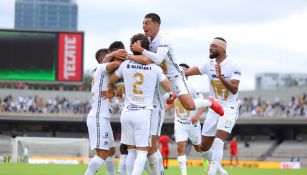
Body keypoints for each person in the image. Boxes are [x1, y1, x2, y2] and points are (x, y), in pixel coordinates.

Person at [128, 13, 224, 116]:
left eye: (147, 23)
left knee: (189, 106)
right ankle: (152, 129)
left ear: (156, 25)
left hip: (175, 76)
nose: (144, 26)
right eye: (143, 23)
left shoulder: (164, 38)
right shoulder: (146, 40)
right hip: (162, 78)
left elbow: (158, 59)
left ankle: (209, 101)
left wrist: (141, 50)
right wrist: (130, 54)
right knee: (150, 101)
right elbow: (145, 58)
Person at [105, 38, 171, 175]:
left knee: (131, 151)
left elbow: (111, 80)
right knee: (143, 152)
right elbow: (168, 86)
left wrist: (112, 89)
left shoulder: (125, 64)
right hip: (144, 112)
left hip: (127, 112)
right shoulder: (154, 67)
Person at [185, 37, 241, 175]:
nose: (211, 48)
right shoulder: (208, 64)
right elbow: (191, 71)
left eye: (214, 46)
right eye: (210, 46)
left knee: (218, 141)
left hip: (229, 107)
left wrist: (220, 77)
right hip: (214, 106)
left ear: (222, 49)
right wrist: (179, 74)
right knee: (203, 147)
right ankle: (222, 172)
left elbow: (234, 89)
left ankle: (212, 173)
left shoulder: (234, 65)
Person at [84, 43, 126, 175]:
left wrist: (113, 93)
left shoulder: (103, 73)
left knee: (111, 151)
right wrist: (119, 55)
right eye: (111, 55)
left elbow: (110, 90)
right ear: (105, 58)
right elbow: (115, 64)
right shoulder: (102, 67)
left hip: (103, 116)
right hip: (97, 117)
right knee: (103, 153)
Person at [165, 63, 205, 175]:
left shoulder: (192, 86)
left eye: (183, 69)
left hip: (192, 123)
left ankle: (205, 157)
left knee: (198, 148)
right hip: (179, 123)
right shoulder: (173, 87)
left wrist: (197, 116)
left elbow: (203, 103)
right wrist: (162, 111)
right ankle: (184, 173)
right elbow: (172, 103)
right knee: (180, 148)